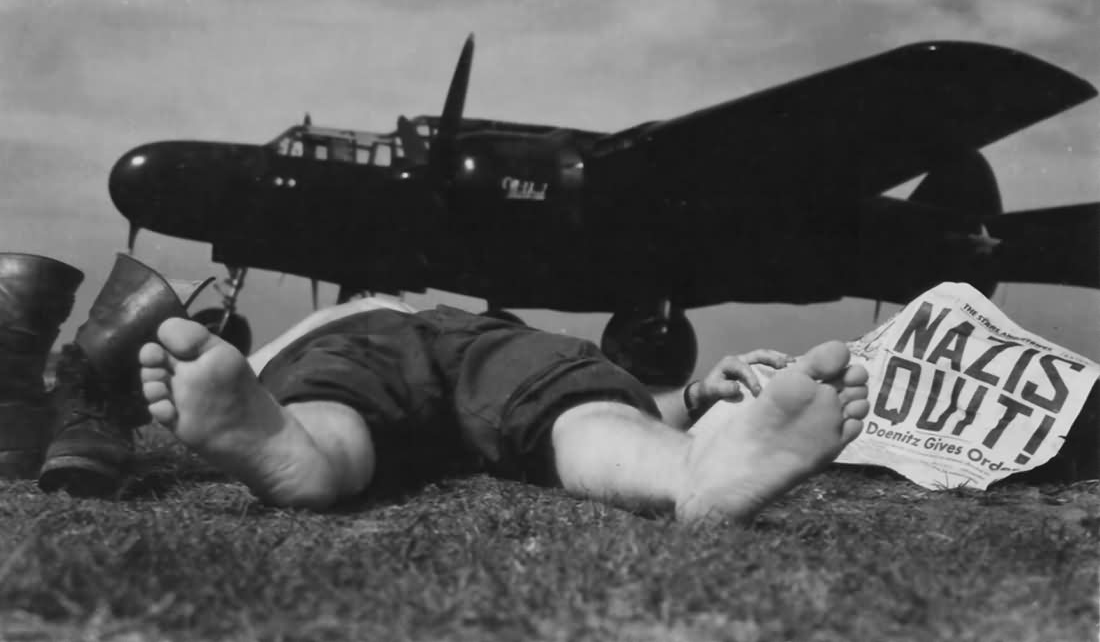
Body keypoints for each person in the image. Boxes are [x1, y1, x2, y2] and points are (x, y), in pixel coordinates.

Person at [138, 298, 870, 522]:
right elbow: (596, 393)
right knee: (576, 406)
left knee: (332, 396)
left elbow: (265, 366)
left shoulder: (354, 310)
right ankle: (686, 470)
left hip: (360, 334)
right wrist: (683, 403)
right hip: (502, 348)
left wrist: (697, 395)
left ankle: (306, 451)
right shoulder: (501, 331)